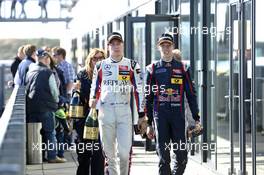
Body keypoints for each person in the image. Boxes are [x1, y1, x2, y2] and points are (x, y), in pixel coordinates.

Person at [89, 32, 145, 175]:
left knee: (124, 154)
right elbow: (95, 87)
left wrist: (141, 114)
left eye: (118, 43)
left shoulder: (132, 65)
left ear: (123, 44)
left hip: (124, 111)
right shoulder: (100, 65)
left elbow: (140, 90)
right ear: (108, 47)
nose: (115, 46)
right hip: (105, 111)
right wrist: (93, 99)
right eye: (112, 44)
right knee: (109, 155)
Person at [145, 33, 201, 175]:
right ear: (159, 48)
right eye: (163, 45)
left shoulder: (183, 68)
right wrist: (148, 122)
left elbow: (191, 94)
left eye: (168, 45)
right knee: (163, 156)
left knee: (182, 155)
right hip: (160, 116)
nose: (166, 48)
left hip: (178, 116)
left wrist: (196, 118)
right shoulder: (152, 69)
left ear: (173, 46)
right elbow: (148, 98)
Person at [26, 49, 65, 163]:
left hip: (32, 106)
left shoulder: (30, 71)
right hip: (47, 106)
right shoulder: (48, 72)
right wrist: (57, 102)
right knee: (50, 132)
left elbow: (26, 88)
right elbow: (54, 91)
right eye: (48, 57)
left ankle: (35, 157)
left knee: (36, 134)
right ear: (46, 58)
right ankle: (52, 156)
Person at [74, 48, 106, 175]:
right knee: (84, 154)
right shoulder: (82, 74)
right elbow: (78, 97)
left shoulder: (108, 74)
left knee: (98, 153)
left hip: (102, 117)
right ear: (90, 60)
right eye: (95, 58)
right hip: (84, 118)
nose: (98, 61)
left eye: (101, 58)